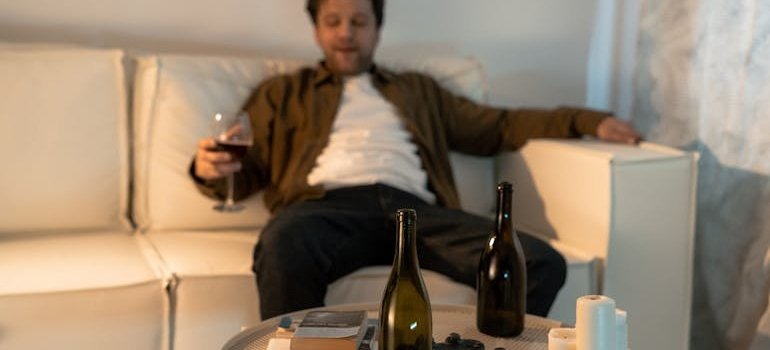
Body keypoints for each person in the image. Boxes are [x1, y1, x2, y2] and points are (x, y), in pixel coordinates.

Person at [191, 0, 640, 320]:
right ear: (317, 31)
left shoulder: (417, 89)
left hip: (419, 213)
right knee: (282, 241)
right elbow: (244, 170)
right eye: (333, 21)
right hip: (326, 209)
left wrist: (585, 120)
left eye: (359, 21)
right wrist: (209, 170)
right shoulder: (283, 92)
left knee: (538, 262)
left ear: (376, 29)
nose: (346, 32)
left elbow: (499, 125)